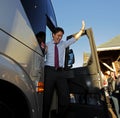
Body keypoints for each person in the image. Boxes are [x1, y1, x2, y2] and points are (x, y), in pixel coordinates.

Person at [42, 20, 85, 118]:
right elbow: (41, 54)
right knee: (47, 98)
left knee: (65, 98)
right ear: (53, 35)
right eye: (58, 35)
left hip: (61, 73)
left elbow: (74, 39)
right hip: (49, 72)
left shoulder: (63, 44)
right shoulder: (47, 44)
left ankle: (59, 116)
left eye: (61, 36)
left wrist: (81, 30)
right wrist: (44, 50)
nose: (59, 37)